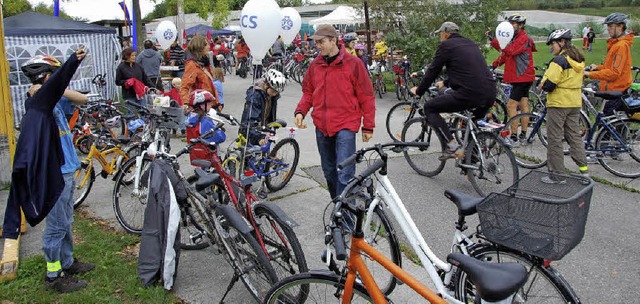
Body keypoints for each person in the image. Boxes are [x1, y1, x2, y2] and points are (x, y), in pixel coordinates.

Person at [3, 49, 95, 293]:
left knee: (66, 221)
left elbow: (82, 98)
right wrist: (42, 88)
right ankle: (53, 274)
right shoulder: (36, 102)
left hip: (69, 168)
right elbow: (37, 99)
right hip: (55, 172)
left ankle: (67, 261)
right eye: (53, 76)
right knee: (55, 226)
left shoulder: (55, 97)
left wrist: (55, 87)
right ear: (45, 77)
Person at [294, 24, 375, 200]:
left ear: (334, 41)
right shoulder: (315, 65)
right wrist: (300, 111)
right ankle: (338, 210)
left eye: (321, 42)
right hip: (322, 126)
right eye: (316, 42)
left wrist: (368, 126)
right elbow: (308, 92)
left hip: (346, 124)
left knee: (344, 174)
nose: (317, 45)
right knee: (329, 172)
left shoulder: (353, 64)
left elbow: (367, 96)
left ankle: (346, 222)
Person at [410, 22, 496, 159]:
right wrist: (445, 82)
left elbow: (433, 70)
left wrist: (419, 90)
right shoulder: (470, 43)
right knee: (472, 123)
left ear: (445, 33)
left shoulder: (446, 46)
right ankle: (471, 162)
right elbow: (468, 72)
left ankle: (452, 146)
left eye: (440, 34)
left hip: (470, 93)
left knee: (429, 107)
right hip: (490, 92)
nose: (440, 37)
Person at [538, 29, 589, 184]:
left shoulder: (558, 61)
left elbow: (550, 84)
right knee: (574, 136)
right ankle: (584, 171)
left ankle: (557, 175)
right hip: (574, 103)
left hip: (558, 103)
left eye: (553, 44)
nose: (551, 47)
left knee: (554, 139)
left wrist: (542, 84)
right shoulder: (578, 59)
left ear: (561, 42)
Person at [489, 13, 537, 145]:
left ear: (521, 25)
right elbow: (507, 56)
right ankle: (523, 135)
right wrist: (494, 64)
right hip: (522, 77)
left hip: (521, 77)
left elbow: (510, 51)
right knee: (523, 104)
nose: (510, 26)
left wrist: (495, 41)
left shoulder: (523, 38)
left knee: (511, 106)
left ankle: (514, 137)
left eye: (513, 24)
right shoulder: (515, 38)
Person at [584, 12, 634, 116]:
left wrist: (589, 74)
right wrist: (597, 68)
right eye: (608, 26)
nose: (608, 29)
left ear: (620, 26)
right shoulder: (615, 44)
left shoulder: (621, 46)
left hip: (616, 92)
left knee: (607, 127)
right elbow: (610, 67)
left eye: (611, 26)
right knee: (607, 125)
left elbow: (614, 73)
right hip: (612, 90)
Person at [240, 69, 285, 146]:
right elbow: (251, 120)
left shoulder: (272, 96)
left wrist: (270, 138)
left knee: (265, 155)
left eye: (277, 92)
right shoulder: (255, 96)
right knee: (251, 156)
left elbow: (270, 117)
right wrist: (259, 138)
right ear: (266, 85)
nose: (275, 94)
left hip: (263, 132)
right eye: (273, 91)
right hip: (250, 134)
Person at [180, 36, 220, 111]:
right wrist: (186, 103)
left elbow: (210, 84)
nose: (208, 47)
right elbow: (185, 86)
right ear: (199, 47)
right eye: (206, 45)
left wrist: (217, 103)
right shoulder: (192, 64)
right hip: (200, 106)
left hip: (209, 104)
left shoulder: (204, 63)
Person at [185, 89, 226, 162]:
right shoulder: (204, 121)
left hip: (196, 154)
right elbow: (218, 137)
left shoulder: (190, 117)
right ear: (202, 106)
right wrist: (220, 131)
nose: (211, 106)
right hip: (209, 155)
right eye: (209, 104)